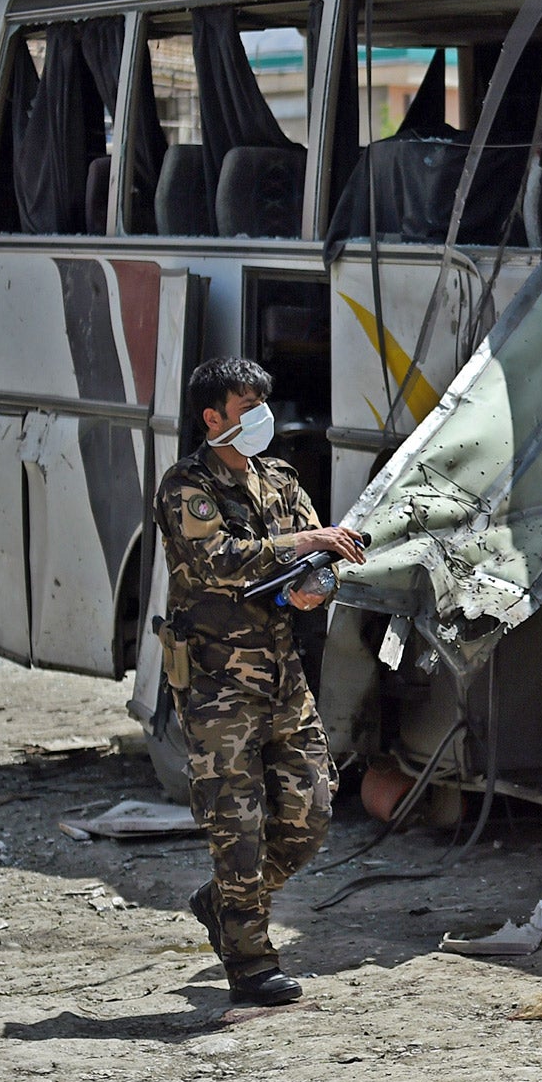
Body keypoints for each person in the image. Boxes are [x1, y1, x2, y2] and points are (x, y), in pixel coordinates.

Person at [156, 358, 364, 1006]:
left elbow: (319, 562)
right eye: (248, 408)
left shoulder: (278, 479)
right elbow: (217, 559)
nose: (261, 420)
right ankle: (249, 961)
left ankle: (221, 904)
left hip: (281, 675)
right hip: (216, 685)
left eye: (263, 405)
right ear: (212, 416)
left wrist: (316, 585)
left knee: (311, 813)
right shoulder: (185, 487)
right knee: (236, 825)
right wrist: (304, 544)